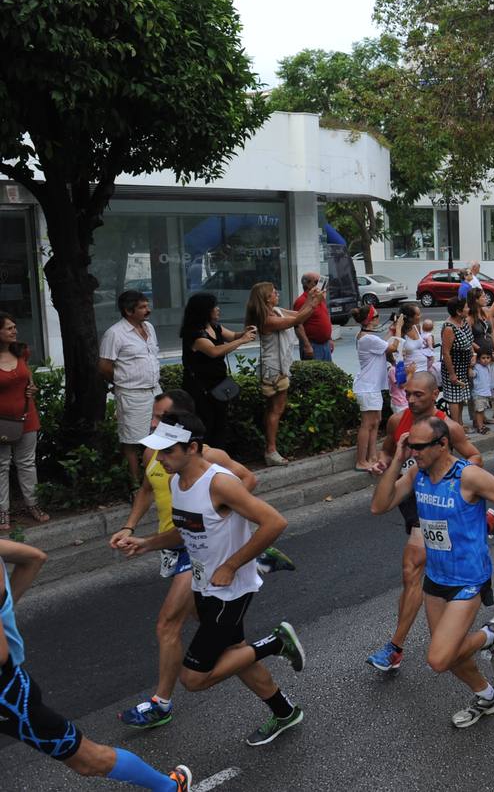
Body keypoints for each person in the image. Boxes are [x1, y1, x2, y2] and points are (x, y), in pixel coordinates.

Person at [109, 391, 292, 730]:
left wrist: (231, 565)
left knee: (193, 678)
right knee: (234, 654)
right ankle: (285, 712)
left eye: (168, 451)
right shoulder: (178, 481)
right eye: (159, 450)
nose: (160, 459)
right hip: (202, 583)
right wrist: (146, 543)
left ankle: (276, 642)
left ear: (192, 448)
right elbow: (186, 529)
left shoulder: (220, 484)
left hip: (229, 591)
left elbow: (275, 522)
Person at [371, 417, 494, 728]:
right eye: (411, 446)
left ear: (443, 444)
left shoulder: (468, 476)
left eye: (419, 447)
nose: (414, 452)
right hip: (436, 577)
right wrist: (397, 460)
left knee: (439, 658)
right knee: (452, 655)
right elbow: (379, 506)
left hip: (469, 579)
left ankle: (490, 635)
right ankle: (487, 696)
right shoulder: (417, 473)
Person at [1, 539, 193, 791]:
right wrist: (6, 609)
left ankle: (169, 788)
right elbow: (34, 557)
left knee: (87, 760)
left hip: (8, 695)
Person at [364, 372, 484, 672]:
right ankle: (485, 521)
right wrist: (383, 462)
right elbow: (388, 450)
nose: (411, 399)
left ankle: (395, 647)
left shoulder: (449, 427)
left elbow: (474, 456)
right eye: (408, 393)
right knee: (414, 572)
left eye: (418, 394)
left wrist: (452, 483)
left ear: (434, 394)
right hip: (410, 499)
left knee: (412, 567)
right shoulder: (397, 421)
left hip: (436, 505)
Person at [245, 281, 322, 467]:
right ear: (266, 298)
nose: (277, 293)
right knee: (275, 409)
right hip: (273, 369)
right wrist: (314, 302)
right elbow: (297, 320)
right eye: (273, 292)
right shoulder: (267, 320)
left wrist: (311, 298)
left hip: (277, 367)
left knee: (274, 409)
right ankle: (271, 450)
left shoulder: (276, 311)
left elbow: (298, 315)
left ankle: (271, 448)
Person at [99, 290, 162, 483]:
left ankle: (158, 478)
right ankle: (136, 483)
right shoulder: (114, 334)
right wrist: (120, 382)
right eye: (142, 307)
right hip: (132, 394)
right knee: (132, 440)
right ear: (128, 311)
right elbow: (104, 366)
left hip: (155, 391)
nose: (148, 310)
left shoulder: (149, 328)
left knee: (160, 436)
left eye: (147, 305)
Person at [179, 292, 256, 449]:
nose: (218, 309)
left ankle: (218, 455)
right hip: (201, 388)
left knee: (221, 423)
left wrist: (245, 333)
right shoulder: (194, 333)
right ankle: (204, 456)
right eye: (214, 306)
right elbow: (214, 351)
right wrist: (242, 340)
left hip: (218, 383)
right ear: (204, 310)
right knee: (206, 423)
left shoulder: (214, 326)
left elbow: (233, 336)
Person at [0, 312, 44, 530]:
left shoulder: (22, 351)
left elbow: (29, 381)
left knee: (27, 463)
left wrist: (32, 389)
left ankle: (33, 505)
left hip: (27, 417)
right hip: (2, 422)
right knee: (1, 466)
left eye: (14, 327)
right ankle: (2, 512)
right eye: (9, 328)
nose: (15, 331)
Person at [352, 304, 401, 469]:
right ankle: (361, 461)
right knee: (367, 424)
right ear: (369, 320)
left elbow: (383, 343)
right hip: (367, 387)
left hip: (371, 386)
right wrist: (398, 329)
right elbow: (392, 347)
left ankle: (372, 457)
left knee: (376, 421)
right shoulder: (368, 338)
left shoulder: (366, 336)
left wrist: (392, 330)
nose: (379, 318)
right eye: (376, 316)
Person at [440, 298, 474, 425]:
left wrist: (473, 355)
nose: (468, 309)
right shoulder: (449, 328)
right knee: (454, 398)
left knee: (461, 398)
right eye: (466, 307)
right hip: (453, 367)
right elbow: (446, 353)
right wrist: (452, 374)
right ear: (459, 311)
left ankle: (460, 424)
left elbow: (470, 342)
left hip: (464, 367)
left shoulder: (464, 322)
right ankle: (455, 427)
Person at [293, 272, 332, 361]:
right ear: (307, 284)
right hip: (312, 344)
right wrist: (307, 345)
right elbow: (298, 324)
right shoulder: (301, 301)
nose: (320, 284)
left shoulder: (319, 298)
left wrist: (329, 338)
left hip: (325, 344)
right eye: (317, 282)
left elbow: (325, 317)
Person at [471, 350, 494, 435]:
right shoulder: (477, 367)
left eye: (488, 358)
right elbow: (472, 374)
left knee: (482, 410)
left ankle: (479, 424)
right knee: (479, 411)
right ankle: (480, 427)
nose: (486, 360)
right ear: (478, 359)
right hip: (479, 393)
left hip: (485, 393)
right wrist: (470, 366)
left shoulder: (488, 366)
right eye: (483, 358)